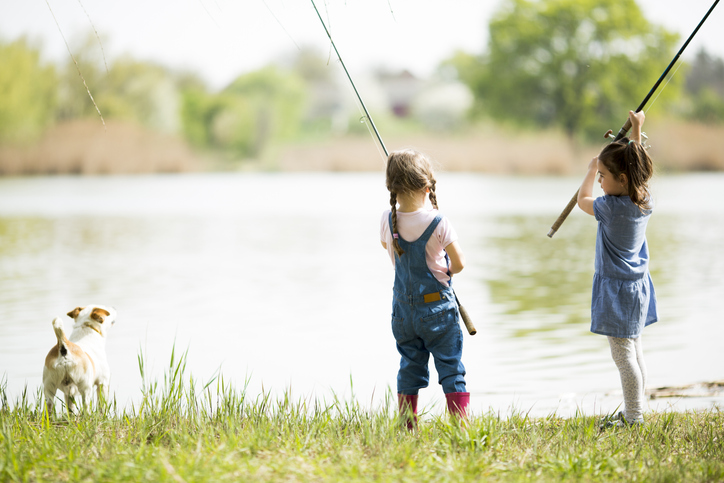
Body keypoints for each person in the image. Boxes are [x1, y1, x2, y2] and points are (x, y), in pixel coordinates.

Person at [577, 110, 658, 427]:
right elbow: (637, 167)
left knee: (623, 357)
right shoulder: (644, 200)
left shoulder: (609, 208)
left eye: (603, 176)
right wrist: (637, 130)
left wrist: (588, 168)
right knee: (635, 351)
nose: (599, 181)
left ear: (621, 179)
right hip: (638, 288)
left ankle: (634, 417)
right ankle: (638, 410)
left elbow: (584, 198)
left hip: (616, 291)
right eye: (598, 175)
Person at [380, 148, 468, 428]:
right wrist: (446, 271)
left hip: (403, 313)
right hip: (438, 311)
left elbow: (388, 248)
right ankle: (460, 427)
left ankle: (407, 427)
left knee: (409, 367)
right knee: (451, 368)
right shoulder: (439, 222)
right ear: (427, 187)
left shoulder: (386, 219)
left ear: (391, 187)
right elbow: (460, 264)